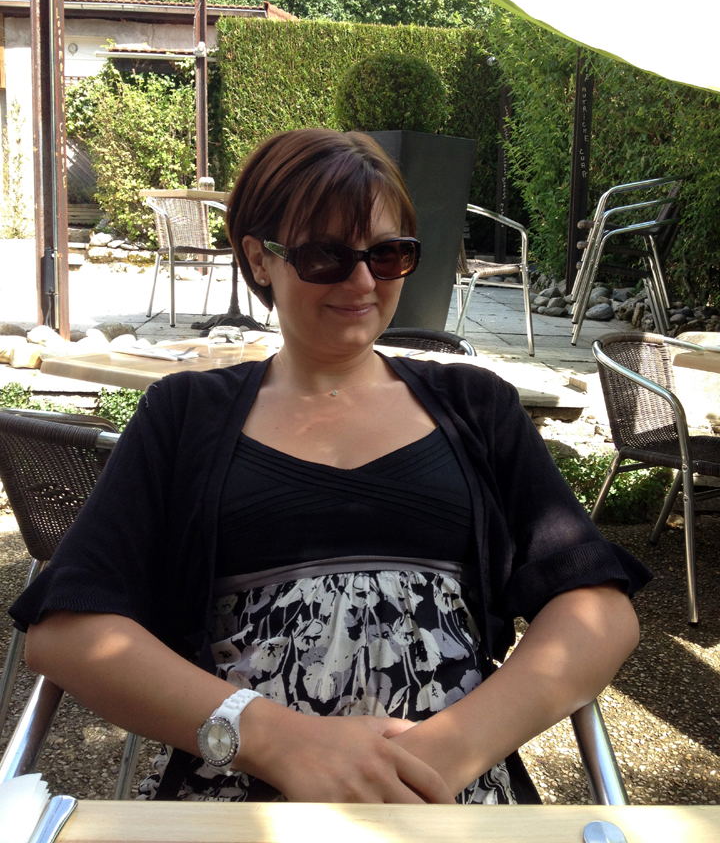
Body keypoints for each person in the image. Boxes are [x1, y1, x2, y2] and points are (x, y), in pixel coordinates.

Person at [10, 128, 650, 806]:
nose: (363, 281)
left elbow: (598, 610)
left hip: (444, 799)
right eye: (326, 256)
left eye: (389, 254)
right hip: (241, 804)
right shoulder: (186, 415)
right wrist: (278, 742)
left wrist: (445, 752)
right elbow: (68, 633)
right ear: (259, 259)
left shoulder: (476, 407)